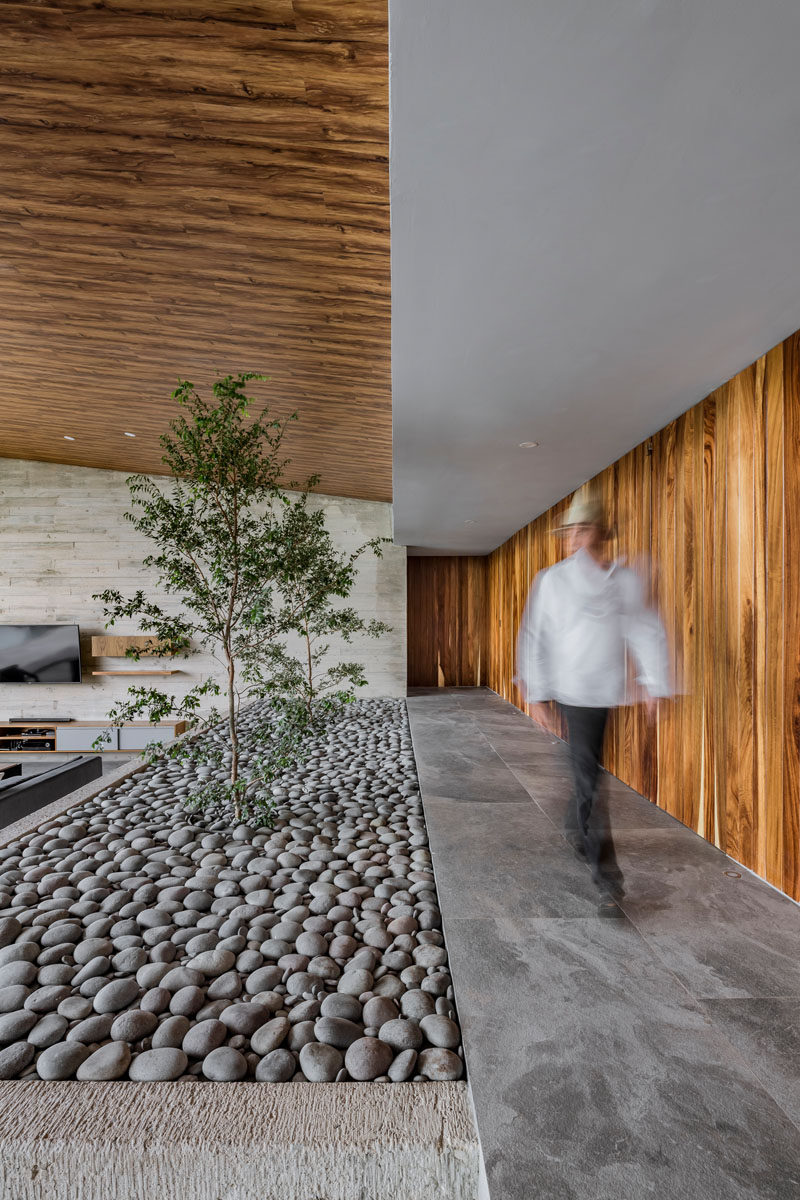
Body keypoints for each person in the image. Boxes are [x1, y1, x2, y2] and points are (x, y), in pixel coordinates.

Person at [515, 486, 671, 910]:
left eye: (583, 530)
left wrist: (653, 681)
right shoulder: (552, 581)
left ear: (601, 533)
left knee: (587, 769)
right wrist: (537, 692)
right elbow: (536, 636)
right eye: (571, 532)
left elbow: (644, 627)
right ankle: (608, 880)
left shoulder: (624, 580)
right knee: (590, 778)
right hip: (571, 691)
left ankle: (574, 824)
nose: (575, 540)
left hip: (606, 693)